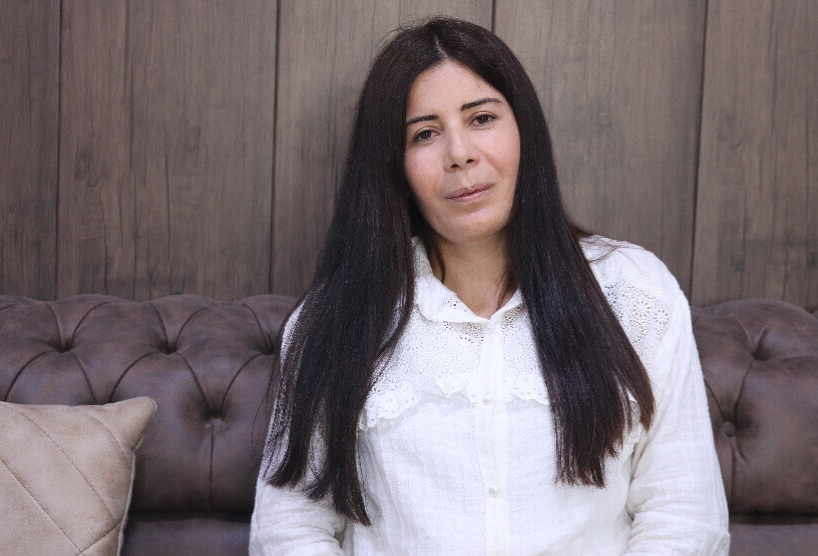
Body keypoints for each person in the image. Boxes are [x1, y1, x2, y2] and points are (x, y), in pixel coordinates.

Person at [250, 17, 729, 555]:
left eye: (481, 118)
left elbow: (684, 513)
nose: (460, 153)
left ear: (524, 130)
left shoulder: (634, 290)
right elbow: (289, 529)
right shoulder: (336, 318)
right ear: (393, 164)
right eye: (425, 133)